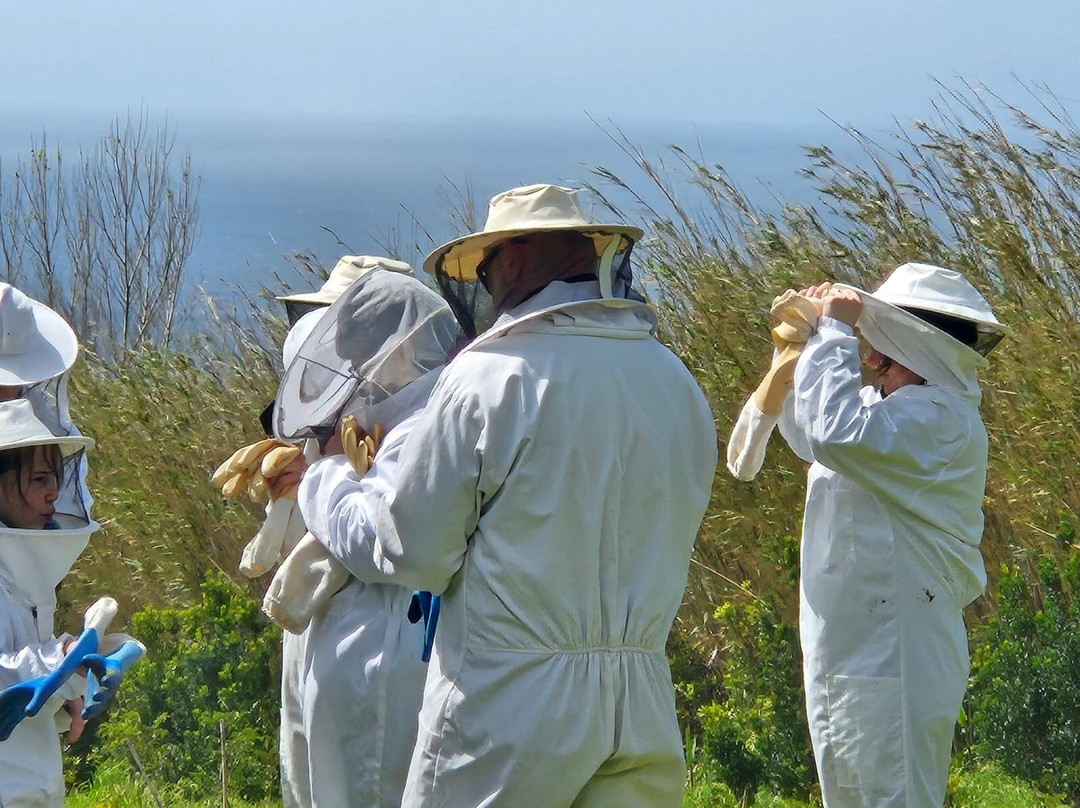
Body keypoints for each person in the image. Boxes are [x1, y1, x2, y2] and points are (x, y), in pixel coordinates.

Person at [297, 184, 719, 806]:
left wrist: (325, 482)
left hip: (507, 703)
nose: (488, 283)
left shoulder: (488, 376)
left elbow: (411, 550)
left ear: (516, 257)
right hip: (642, 700)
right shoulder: (674, 380)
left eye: (488, 265)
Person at [775, 263, 1006, 808]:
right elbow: (811, 435)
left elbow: (834, 435)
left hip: (897, 650)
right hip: (850, 645)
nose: (872, 360)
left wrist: (834, 333)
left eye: (885, 350)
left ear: (926, 352)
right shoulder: (893, 413)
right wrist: (799, 351)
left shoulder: (940, 421)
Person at [251, 256, 421, 808]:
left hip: (380, 630)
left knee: (365, 781)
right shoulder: (332, 399)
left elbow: (390, 529)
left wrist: (324, 478)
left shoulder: (420, 412)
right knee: (305, 777)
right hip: (316, 626)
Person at [0, 398, 96, 807]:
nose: (54, 492)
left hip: (36, 788)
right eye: (39, 479)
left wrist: (67, 687)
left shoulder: (26, 577)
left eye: (55, 477)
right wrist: (58, 660)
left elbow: (22, 680)